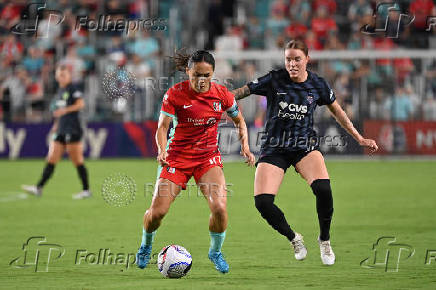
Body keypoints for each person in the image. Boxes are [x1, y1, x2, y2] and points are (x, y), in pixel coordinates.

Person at [231, 40, 378, 265]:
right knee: (262, 203)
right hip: (274, 148)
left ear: (307, 59)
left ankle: (325, 240)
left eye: (297, 59)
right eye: (288, 59)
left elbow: (338, 112)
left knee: (323, 189)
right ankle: (294, 238)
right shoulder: (274, 79)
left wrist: (359, 138)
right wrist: (217, 98)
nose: (292, 64)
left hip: (304, 146)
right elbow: (242, 91)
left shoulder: (318, 84)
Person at [136, 50, 255, 273]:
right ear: (188, 72)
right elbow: (162, 127)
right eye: (196, 75)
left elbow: (240, 121)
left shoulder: (222, 95)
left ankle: (215, 252)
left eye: (206, 75)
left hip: (207, 158)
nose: (201, 80)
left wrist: (245, 146)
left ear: (213, 74)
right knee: (157, 213)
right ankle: (146, 245)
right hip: (177, 158)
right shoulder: (174, 94)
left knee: (219, 208)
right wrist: (162, 150)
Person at [22, 64, 91, 199]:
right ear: (56, 76)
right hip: (61, 128)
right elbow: (58, 112)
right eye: (60, 75)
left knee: (77, 160)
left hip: (73, 128)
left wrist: (65, 110)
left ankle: (86, 190)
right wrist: (56, 124)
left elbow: (80, 104)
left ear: (69, 75)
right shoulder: (60, 91)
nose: (62, 77)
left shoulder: (73, 89)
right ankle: (38, 187)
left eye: (64, 75)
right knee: (52, 157)